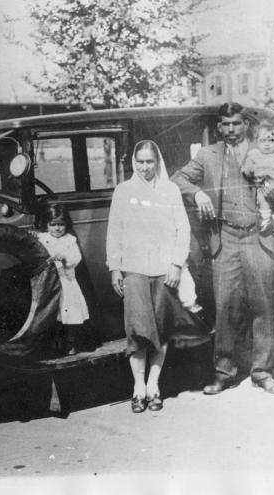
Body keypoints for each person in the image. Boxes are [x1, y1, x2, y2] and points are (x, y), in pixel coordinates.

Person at [171, 102, 274, 395]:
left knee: (263, 305)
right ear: (219, 127)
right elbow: (176, 180)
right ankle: (224, 371)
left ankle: (262, 371)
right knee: (225, 307)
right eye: (225, 124)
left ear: (245, 125)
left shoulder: (262, 152)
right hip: (226, 239)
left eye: (236, 123)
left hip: (258, 238)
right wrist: (197, 193)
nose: (231, 129)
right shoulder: (207, 156)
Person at [107, 140, 191, 413]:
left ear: (158, 162)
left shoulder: (170, 190)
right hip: (134, 270)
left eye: (149, 162)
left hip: (165, 271)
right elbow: (114, 231)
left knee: (161, 331)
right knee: (138, 331)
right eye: (140, 162)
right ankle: (138, 388)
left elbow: (183, 229)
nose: (145, 167)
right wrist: (115, 267)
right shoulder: (123, 191)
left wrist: (177, 264)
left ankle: (154, 386)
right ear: (134, 162)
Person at [36, 203, 89, 355]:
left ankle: (71, 344)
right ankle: (55, 346)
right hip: (50, 284)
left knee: (70, 315)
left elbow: (75, 258)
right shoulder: (43, 239)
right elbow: (36, 253)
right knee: (53, 315)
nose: (57, 228)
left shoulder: (69, 240)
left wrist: (65, 258)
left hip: (67, 282)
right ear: (46, 225)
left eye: (61, 224)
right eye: (53, 224)